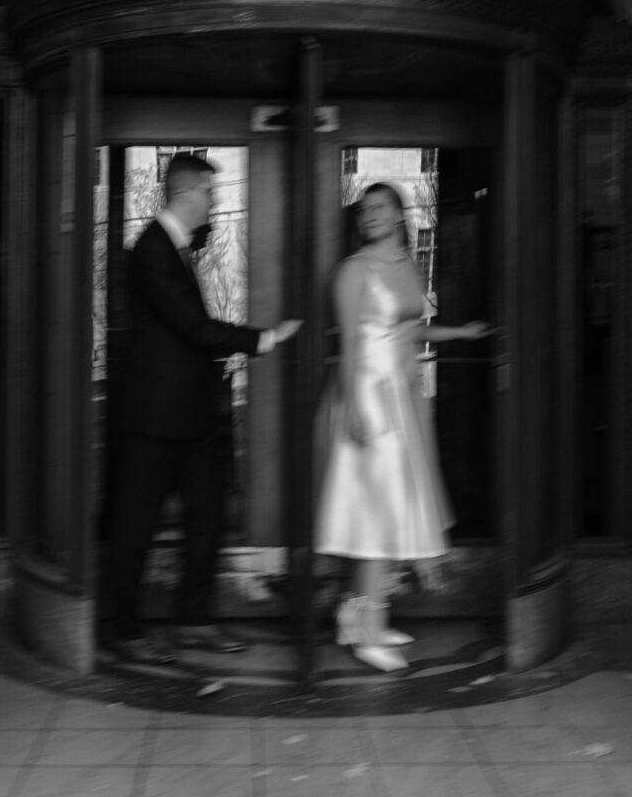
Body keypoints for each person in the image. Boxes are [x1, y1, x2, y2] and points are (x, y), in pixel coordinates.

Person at [110, 151, 301, 663]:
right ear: (187, 193)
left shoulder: (178, 248)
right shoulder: (150, 249)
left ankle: (194, 621)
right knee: (136, 525)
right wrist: (263, 338)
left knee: (208, 519)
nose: (215, 202)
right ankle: (123, 631)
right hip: (153, 417)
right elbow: (193, 330)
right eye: (211, 193)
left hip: (192, 417)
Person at [314, 182, 492, 673]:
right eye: (364, 209)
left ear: (398, 216)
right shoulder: (351, 273)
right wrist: (351, 409)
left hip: (402, 399)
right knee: (375, 514)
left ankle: (360, 614)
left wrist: (459, 332)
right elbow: (350, 344)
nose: (369, 214)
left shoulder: (406, 268)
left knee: (390, 510)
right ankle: (367, 632)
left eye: (380, 207)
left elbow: (411, 329)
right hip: (368, 398)